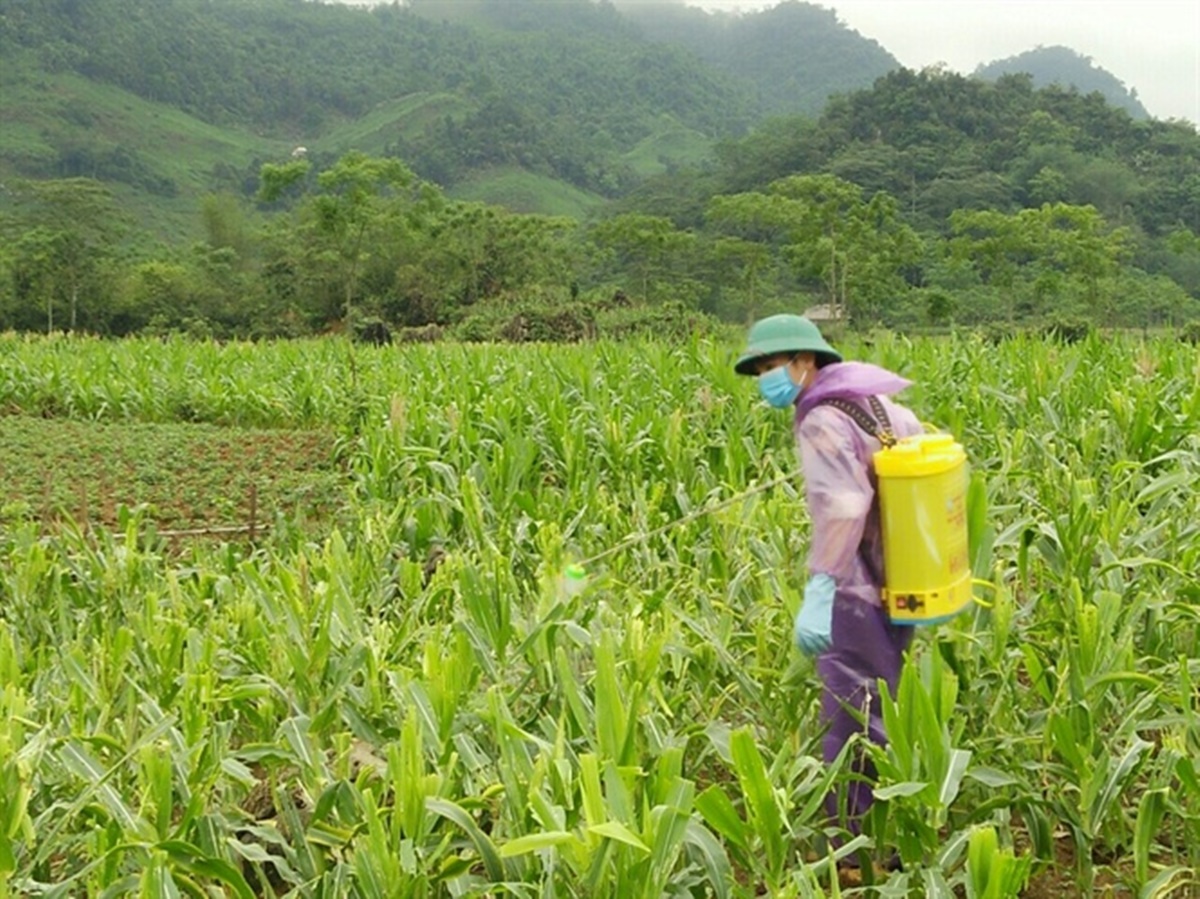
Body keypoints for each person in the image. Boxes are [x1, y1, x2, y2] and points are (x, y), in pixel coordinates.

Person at [734, 313, 922, 861]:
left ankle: (856, 843)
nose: (769, 377)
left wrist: (821, 590)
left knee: (853, 713)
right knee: (885, 702)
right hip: (903, 577)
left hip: (856, 587)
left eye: (774, 365)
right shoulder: (874, 401)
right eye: (762, 368)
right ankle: (891, 826)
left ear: (805, 361)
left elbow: (842, 507)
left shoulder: (821, 419)